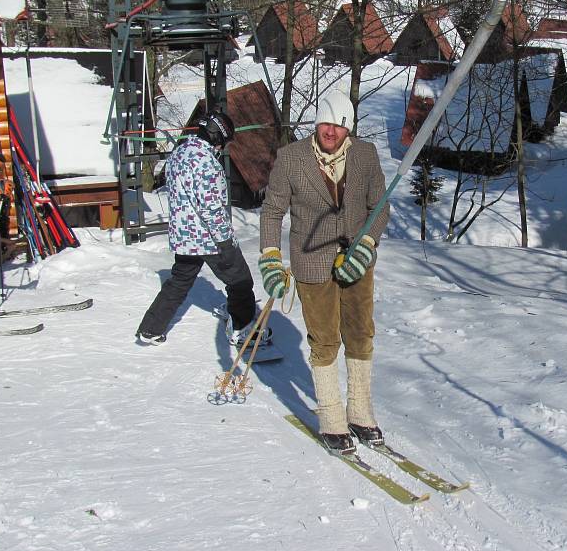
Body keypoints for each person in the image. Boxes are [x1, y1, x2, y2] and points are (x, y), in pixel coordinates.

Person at [259, 89, 390, 454]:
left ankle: (361, 412)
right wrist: (271, 256)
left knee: (361, 333)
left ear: (348, 128)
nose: (330, 132)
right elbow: (272, 212)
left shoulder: (365, 155)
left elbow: (380, 207)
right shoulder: (291, 158)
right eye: (324, 124)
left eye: (338, 125)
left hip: (356, 260)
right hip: (311, 261)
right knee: (325, 339)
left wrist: (366, 245)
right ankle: (332, 419)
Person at [136, 109, 258, 346]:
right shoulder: (206, 164)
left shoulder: (179, 153)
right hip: (208, 238)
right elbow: (211, 209)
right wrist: (225, 241)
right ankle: (242, 329)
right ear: (216, 137)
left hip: (183, 236)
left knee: (180, 280)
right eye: (222, 142)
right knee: (240, 280)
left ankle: (151, 328)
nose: (222, 148)